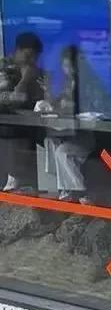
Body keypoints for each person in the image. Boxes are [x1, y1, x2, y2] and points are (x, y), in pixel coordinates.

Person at [41, 45, 93, 204]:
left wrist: (67, 106)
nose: (68, 70)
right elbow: (60, 104)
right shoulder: (66, 84)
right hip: (70, 132)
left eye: (70, 66)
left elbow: (88, 106)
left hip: (88, 135)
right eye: (65, 66)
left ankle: (78, 191)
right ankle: (64, 188)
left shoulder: (88, 82)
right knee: (50, 141)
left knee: (62, 152)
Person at [0, 31, 45, 194]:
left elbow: (40, 97)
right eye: (28, 55)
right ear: (18, 51)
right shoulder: (5, 68)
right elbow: (11, 100)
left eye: (35, 57)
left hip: (30, 127)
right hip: (8, 130)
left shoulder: (35, 71)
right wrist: (25, 80)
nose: (31, 61)